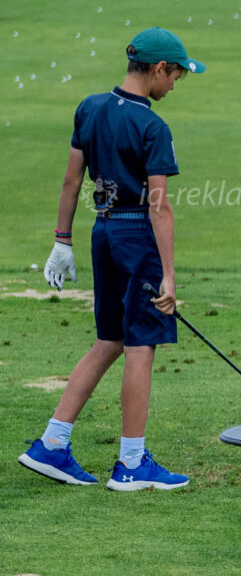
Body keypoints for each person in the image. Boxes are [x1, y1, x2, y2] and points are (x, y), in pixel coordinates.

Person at [20, 28, 207, 491]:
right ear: (159, 68)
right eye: (177, 74)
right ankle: (131, 463)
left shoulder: (91, 107)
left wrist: (62, 240)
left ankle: (52, 444)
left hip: (102, 231)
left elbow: (70, 182)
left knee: (110, 340)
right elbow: (160, 206)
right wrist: (168, 276)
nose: (175, 84)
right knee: (140, 345)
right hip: (137, 233)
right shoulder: (152, 126)